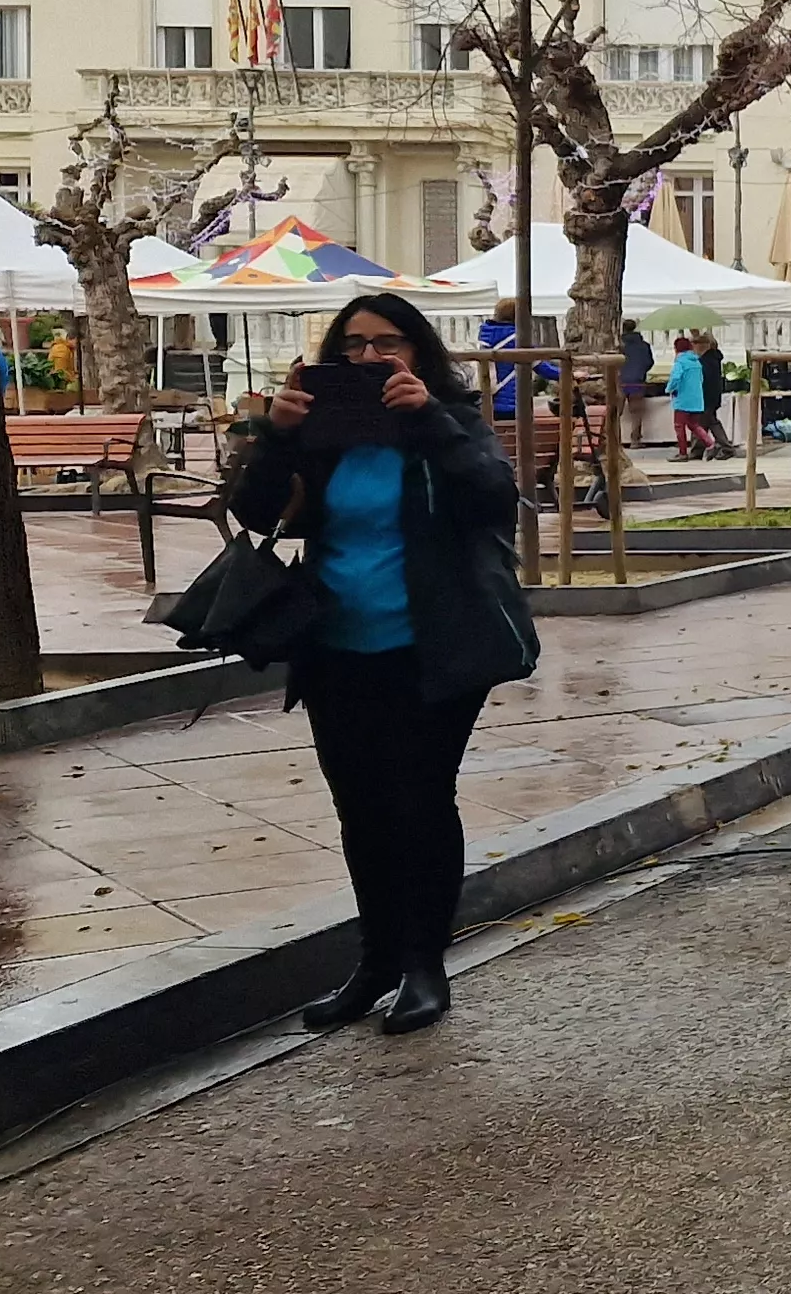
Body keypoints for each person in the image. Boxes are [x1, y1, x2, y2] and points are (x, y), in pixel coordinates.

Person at [226, 291, 536, 1036]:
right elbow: (255, 513)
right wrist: (275, 435)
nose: (370, 358)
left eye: (388, 343)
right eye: (355, 345)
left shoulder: (449, 422)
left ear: (418, 352)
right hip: (336, 648)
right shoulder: (322, 433)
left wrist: (426, 418)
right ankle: (375, 965)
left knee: (422, 803)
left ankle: (425, 968)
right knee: (360, 810)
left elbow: (496, 499)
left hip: (433, 649)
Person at [666, 332, 711, 459]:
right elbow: (701, 379)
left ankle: (682, 453)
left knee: (679, 426)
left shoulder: (680, 362)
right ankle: (710, 443)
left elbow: (675, 378)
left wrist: (669, 389)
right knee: (694, 425)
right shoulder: (697, 362)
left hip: (682, 400)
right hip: (696, 399)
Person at [692, 331, 736, 458]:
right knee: (706, 421)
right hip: (712, 396)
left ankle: (725, 447)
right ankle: (700, 449)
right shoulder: (713, 358)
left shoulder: (706, 361)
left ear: (704, 345)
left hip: (706, 396)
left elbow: (705, 380)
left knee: (704, 422)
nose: (693, 346)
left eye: (695, 343)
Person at [616, 322, 653, 445]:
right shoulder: (644, 346)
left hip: (620, 382)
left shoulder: (618, 346)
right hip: (637, 381)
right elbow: (649, 362)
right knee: (636, 413)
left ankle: (615, 440)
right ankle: (635, 440)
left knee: (615, 413)